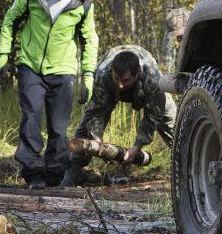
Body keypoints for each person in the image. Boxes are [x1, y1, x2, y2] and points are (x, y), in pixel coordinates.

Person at [0, 0, 98, 189]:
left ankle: (53, 177)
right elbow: (10, 20)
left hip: (63, 70)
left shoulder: (82, 3)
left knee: (58, 128)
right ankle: (33, 175)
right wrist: (3, 57)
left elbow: (90, 40)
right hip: (30, 66)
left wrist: (88, 75)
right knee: (31, 119)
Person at [62, 45, 176, 187]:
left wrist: (137, 147)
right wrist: (98, 144)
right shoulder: (104, 74)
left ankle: (185, 166)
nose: (120, 85)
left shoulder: (152, 79)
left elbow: (153, 115)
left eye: (125, 80)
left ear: (136, 74)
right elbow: (96, 112)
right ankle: (73, 172)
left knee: (174, 125)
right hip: (107, 89)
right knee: (85, 131)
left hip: (151, 92)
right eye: (117, 79)